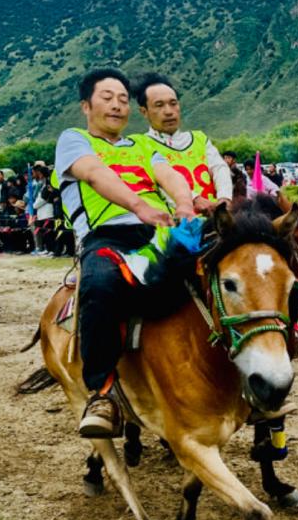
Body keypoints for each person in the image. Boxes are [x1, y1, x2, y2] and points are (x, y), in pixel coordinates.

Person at [54, 67, 195, 437]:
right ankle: (101, 394)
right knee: (100, 284)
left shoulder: (144, 146)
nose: (117, 106)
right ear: (86, 105)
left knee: (230, 265)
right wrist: (138, 206)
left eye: (122, 99)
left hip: (158, 232)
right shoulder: (74, 140)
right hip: (107, 237)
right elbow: (96, 175)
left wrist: (184, 203)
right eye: (107, 97)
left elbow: (171, 176)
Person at [130, 73, 232, 213]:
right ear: (144, 111)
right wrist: (194, 199)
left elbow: (219, 168)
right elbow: (156, 183)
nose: (169, 112)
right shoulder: (137, 145)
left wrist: (225, 198)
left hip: (215, 220)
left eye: (173, 103)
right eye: (159, 105)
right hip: (175, 225)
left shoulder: (199, 138)